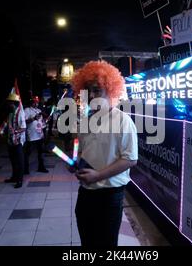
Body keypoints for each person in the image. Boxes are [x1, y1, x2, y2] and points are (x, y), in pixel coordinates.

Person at [70, 60, 138, 246]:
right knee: (87, 242)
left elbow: (130, 159)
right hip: (85, 193)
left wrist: (98, 175)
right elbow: (82, 149)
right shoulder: (85, 121)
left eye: (97, 90)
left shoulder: (123, 121)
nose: (92, 95)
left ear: (111, 90)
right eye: (89, 90)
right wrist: (77, 162)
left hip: (110, 196)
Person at [2, 93, 26, 188]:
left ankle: (20, 180)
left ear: (14, 103)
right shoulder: (11, 113)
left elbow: (23, 128)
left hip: (18, 141)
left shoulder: (20, 113)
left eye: (10, 103)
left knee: (20, 161)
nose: (8, 105)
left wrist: (14, 131)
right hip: (10, 141)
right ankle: (14, 177)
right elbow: (8, 124)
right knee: (13, 160)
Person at [24, 96, 48, 174]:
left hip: (39, 135)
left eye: (37, 102)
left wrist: (46, 120)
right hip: (31, 136)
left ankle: (41, 167)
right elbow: (24, 121)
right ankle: (25, 169)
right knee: (28, 153)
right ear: (31, 102)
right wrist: (34, 118)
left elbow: (42, 123)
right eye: (34, 102)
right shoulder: (27, 110)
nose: (36, 103)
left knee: (40, 153)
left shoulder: (39, 110)